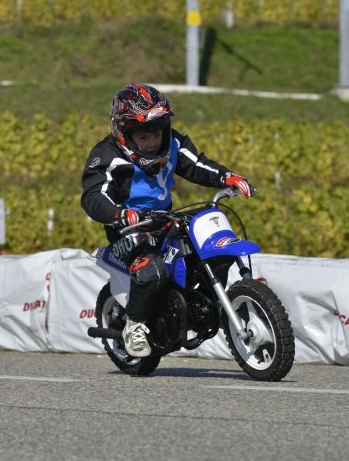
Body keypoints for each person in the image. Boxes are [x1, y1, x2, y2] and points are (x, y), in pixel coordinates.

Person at [81, 83, 254, 358]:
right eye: (143, 136)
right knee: (152, 270)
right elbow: (93, 196)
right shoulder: (106, 156)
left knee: (213, 241)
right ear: (123, 132)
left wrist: (226, 177)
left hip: (166, 219)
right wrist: (119, 214)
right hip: (128, 228)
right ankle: (134, 326)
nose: (152, 142)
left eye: (157, 133)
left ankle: (209, 305)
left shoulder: (172, 143)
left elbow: (196, 164)